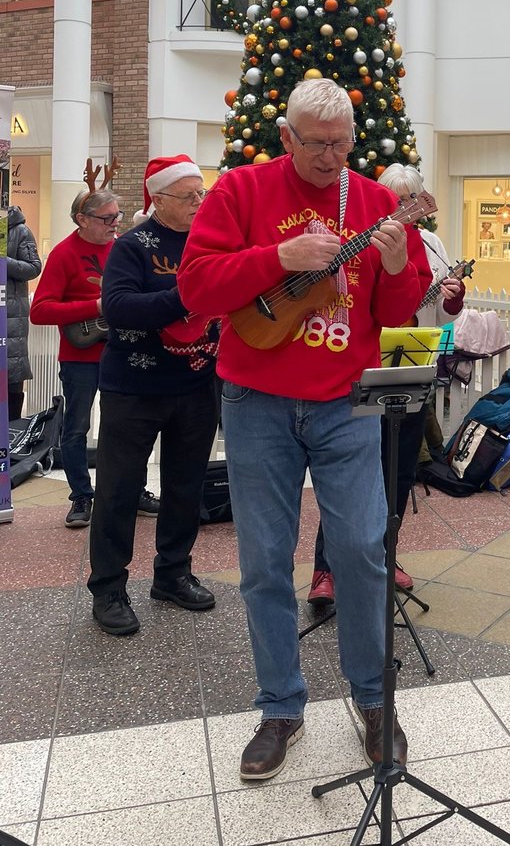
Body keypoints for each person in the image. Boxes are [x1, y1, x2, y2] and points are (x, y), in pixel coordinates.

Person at [178, 79, 431, 783]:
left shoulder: (377, 202)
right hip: (255, 399)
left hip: (346, 401)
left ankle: (375, 700)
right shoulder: (240, 192)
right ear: (285, 137)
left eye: (340, 143)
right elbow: (197, 289)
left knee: (360, 548)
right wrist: (278, 259)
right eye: (314, 143)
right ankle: (280, 706)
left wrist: (390, 264)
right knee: (263, 560)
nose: (328, 156)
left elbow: (401, 307)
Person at [309, 163, 465, 606]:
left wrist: (453, 298)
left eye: (406, 202)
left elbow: (443, 312)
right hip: (365, 362)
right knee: (350, 473)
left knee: (398, 470)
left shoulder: (431, 244)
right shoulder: (361, 237)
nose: (399, 211)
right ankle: (327, 566)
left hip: (412, 362)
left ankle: (386, 555)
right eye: (392, 201)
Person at [86, 156, 220, 636]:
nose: (198, 204)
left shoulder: (210, 243)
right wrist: (188, 297)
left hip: (196, 384)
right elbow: (119, 307)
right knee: (119, 489)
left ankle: (173, 574)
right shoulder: (131, 247)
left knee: (186, 485)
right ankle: (108, 588)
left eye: (201, 195)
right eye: (188, 197)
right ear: (158, 200)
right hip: (134, 388)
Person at [30, 186, 160, 528]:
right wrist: (97, 306)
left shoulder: (124, 250)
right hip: (80, 357)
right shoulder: (63, 254)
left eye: (117, 216)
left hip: (126, 351)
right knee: (76, 429)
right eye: (107, 218)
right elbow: (40, 310)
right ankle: (82, 497)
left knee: (133, 427)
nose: (115, 224)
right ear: (81, 219)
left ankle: (135, 492)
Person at [6, 206, 42, 420]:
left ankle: (8, 448)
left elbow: (33, 267)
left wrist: (3, 260)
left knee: (10, 387)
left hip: (10, 323)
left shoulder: (19, 231)